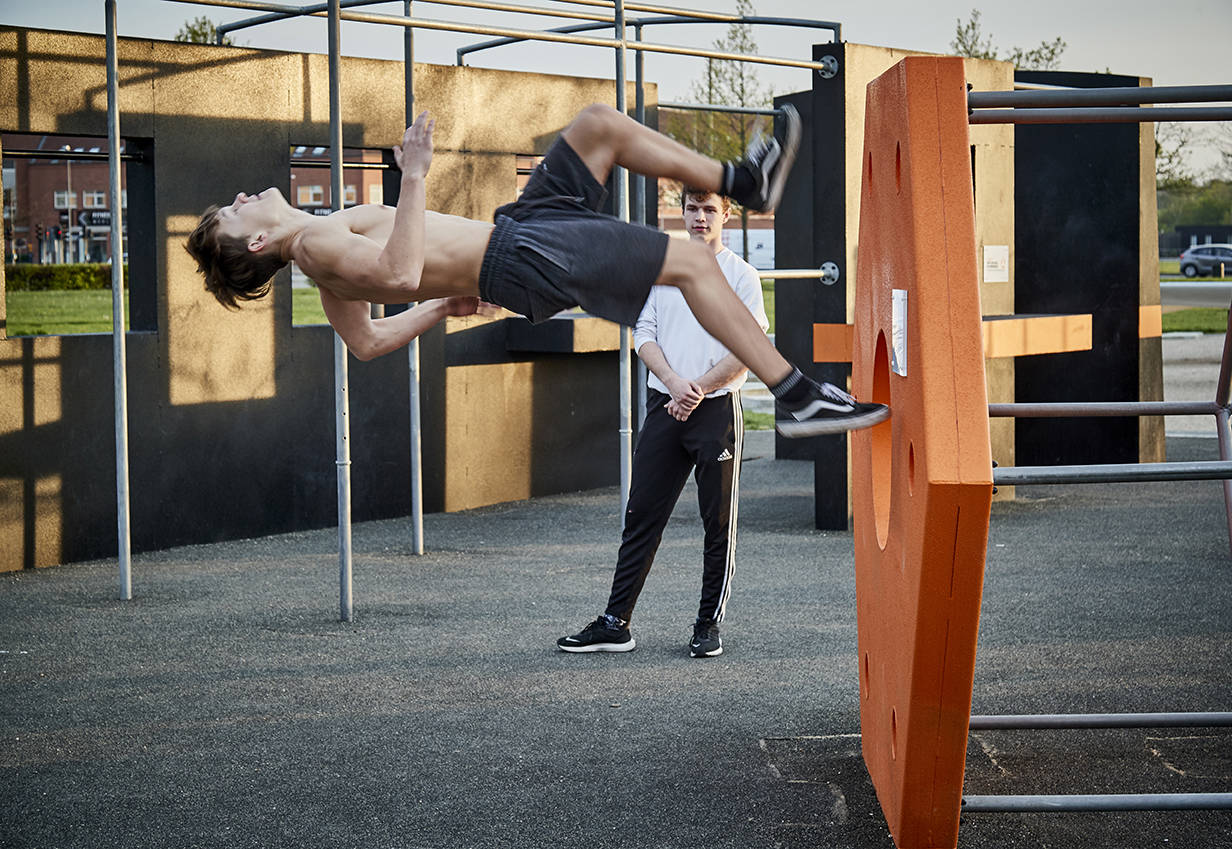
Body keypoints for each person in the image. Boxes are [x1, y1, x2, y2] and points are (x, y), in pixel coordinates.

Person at [185, 103, 888, 436]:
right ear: (253, 246)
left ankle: (742, 179)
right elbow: (399, 273)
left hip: (516, 233)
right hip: (518, 258)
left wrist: (440, 306)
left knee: (597, 127)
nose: (243, 198)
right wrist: (416, 175)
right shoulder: (311, 248)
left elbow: (366, 342)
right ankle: (797, 397)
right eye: (234, 211)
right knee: (688, 263)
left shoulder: (318, 245)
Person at [557, 187, 763, 658]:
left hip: (715, 413)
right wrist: (673, 383)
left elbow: (746, 350)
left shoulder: (742, 277)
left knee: (718, 524)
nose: (699, 218)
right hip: (665, 405)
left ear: (725, 216)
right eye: (692, 208)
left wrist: (698, 389)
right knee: (641, 516)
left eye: (710, 209)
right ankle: (615, 623)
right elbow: (643, 335)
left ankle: (707, 625)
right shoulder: (663, 272)